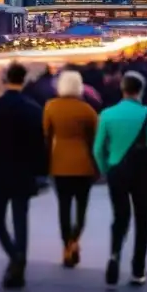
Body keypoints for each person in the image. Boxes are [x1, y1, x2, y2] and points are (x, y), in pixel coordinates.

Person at [0, 62, 48, 290]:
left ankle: (14, 256)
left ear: (5, 80)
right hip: (23, 174)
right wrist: (39, 173)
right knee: (20, 220)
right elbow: (40, 146)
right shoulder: (33, 109)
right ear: (24, 80)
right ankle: (19, 265)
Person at [94, 71, 147, 289]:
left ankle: (115, 254)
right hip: (143, 172)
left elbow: (98, 149)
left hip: (117, 170)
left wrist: (106, 168)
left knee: (120, 216)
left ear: (122, 89)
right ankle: (138, 269)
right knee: (142, 220)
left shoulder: (107, 114)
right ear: (140, 90)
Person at [43, 70, 98, 268]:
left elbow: (46, 137)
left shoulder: (50, 107)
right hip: (84, 166)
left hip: (59, 165)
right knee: (81, 209)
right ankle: (75, 239)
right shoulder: (87, 110)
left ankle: (66, 246)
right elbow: (96, 139)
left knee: (63, 209)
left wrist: (45, 163)